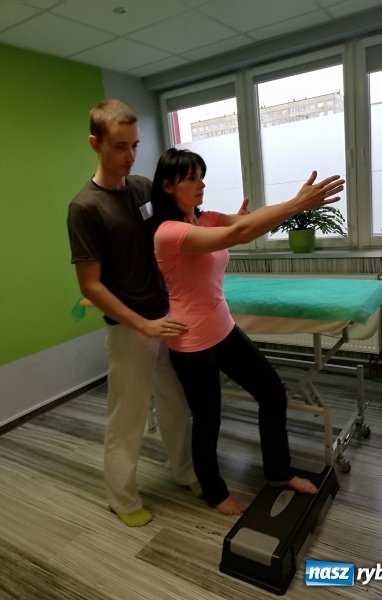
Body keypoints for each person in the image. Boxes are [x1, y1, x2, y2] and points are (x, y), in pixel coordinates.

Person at [151, 148, 345, 516]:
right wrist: (296, 205)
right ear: (167, 186)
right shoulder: (168, 233)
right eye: (191, 178)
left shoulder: (205, 218)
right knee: (208, 419)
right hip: (191, 343)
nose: (201, 183)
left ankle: (278, 473)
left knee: (272, 392)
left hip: (223, 329)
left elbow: (247, 223)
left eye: (201, 176)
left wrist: (282, 207)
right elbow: (240, 233)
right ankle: (215, 492)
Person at [67, 100, 204, 528]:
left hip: (167, 317)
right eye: (120, 147)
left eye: (135, 146)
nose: (130, 156)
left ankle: (186, 471)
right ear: (95, 144)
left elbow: (177, 231)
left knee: (177, 403)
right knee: (128, 417)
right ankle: (122, 499)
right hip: (130, 329)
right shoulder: (85, 207)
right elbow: (90, 285)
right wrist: (142, 323)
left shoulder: (143, 188)